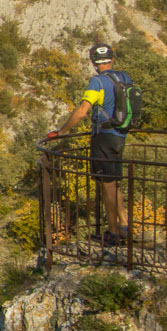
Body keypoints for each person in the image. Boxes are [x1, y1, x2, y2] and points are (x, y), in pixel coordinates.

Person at [45, 43, 129, 245]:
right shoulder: (124, 77)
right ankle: (124, 225)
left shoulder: (97, 82)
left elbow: (82, 111)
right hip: (120, 135)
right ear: (112, 60)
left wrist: (61, 132)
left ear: (93, 62)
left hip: (103, 137)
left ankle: (113, 232)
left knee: (105, 184)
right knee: (112, 181)